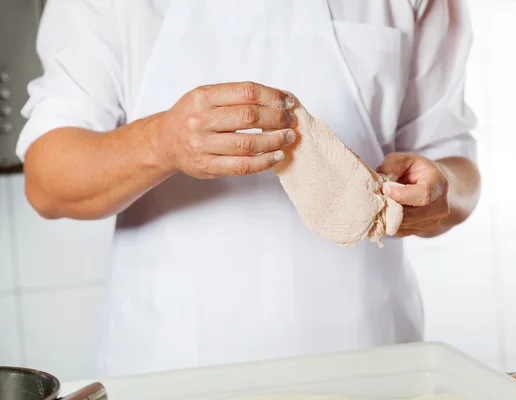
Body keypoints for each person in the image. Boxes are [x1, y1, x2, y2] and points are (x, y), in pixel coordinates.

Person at [17, 0, 481, 377]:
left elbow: (459, 171)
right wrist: (161, 143)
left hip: (375, 362)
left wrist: (438, 194)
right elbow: (47, 180)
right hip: (173, 369)